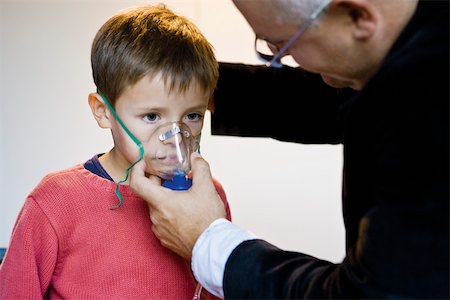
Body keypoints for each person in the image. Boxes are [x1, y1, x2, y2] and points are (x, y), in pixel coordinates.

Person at [128, 0, 449, 299]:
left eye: (281, 46)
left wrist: (209, 243)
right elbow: (340, 95)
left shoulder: (431, 111)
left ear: (358, 16)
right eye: (151, 115)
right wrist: (188, 84)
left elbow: (373, 292)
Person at [0, 4, 231, 299]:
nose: (175, 137)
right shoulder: (55, 202)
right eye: (151, 116)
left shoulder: (208, 197)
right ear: (103, 112)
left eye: (192, 116)